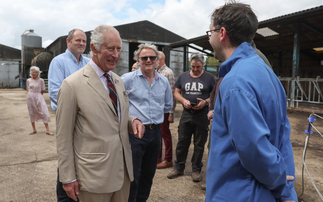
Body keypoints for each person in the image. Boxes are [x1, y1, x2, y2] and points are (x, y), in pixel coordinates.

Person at [205, 1, 298, 202]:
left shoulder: (235, 81)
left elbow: (254, 150)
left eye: (209, 32)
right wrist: (287, 188)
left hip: (241, 192)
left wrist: (281, 184)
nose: (209, 37)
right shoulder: (266, 72)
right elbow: (282, 135)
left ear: (221, 33)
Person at [56, 25, 145, 202]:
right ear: (94, 48)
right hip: (93, 177)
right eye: (110, 48)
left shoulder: (118, 81)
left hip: (122, 173)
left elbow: (113, 116)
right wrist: (67, 177)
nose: (116, 54)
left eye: (118, 49)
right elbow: (63, 136)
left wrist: (131, 120)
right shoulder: (72, 85)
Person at [121, 43, 173, 202]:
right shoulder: (127, 79)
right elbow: (118, 104)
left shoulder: (163, 81)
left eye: (152, 57)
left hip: (155, 133)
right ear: (138, 59)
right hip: (135, 133)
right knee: (133, 175)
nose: (148, 60)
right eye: (144, 58)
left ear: (157, 60)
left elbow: (168, 105)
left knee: (148, 174)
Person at [48, 28, 90, 202]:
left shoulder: (88, 62)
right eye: (77, 40)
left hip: (87, 118)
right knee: (67, 155)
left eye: (84, 41)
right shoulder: (59, 62)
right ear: (68, 41)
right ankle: (65, 194)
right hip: (69, 117)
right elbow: (55, 92)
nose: (81, 44)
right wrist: (84, 106)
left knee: (84, 155)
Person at [167, 52, 216, 182]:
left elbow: (214, 95)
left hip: (202, 115)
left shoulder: (209, 77)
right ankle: (178, 168)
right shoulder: (183, 76)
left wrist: (205, 102)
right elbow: (176, 92)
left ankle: (196, 170)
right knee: (182, 141)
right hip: (186, 114)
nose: (195, 69)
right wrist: (183, 101)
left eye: (198, 67)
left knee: (199, 144)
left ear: (203, 65)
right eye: (193, 66)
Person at [156, 51, 176, 169]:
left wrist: (171, 113)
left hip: (164, 109)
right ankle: (157, 157)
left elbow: (172, 94)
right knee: (157, 134)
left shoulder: (168, 73)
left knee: (165, 134)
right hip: (157, 109)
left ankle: (168, 159)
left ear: (159, 60)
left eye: (154, 58)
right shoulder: (156, 72)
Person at [26, 66, 53, 135]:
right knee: (31, 112)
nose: (34, 73)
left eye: (36, 72)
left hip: (39, 96)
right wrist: (32, 95)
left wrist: (38, 96)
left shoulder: (41, 80)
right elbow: (28, 88)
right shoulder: (28, 80)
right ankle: (34, 129)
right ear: (31, 73)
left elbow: (43, 89)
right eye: (33, 72)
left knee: (43, 111)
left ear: (38, 73)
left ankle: (47, 130)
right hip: (30, 97)